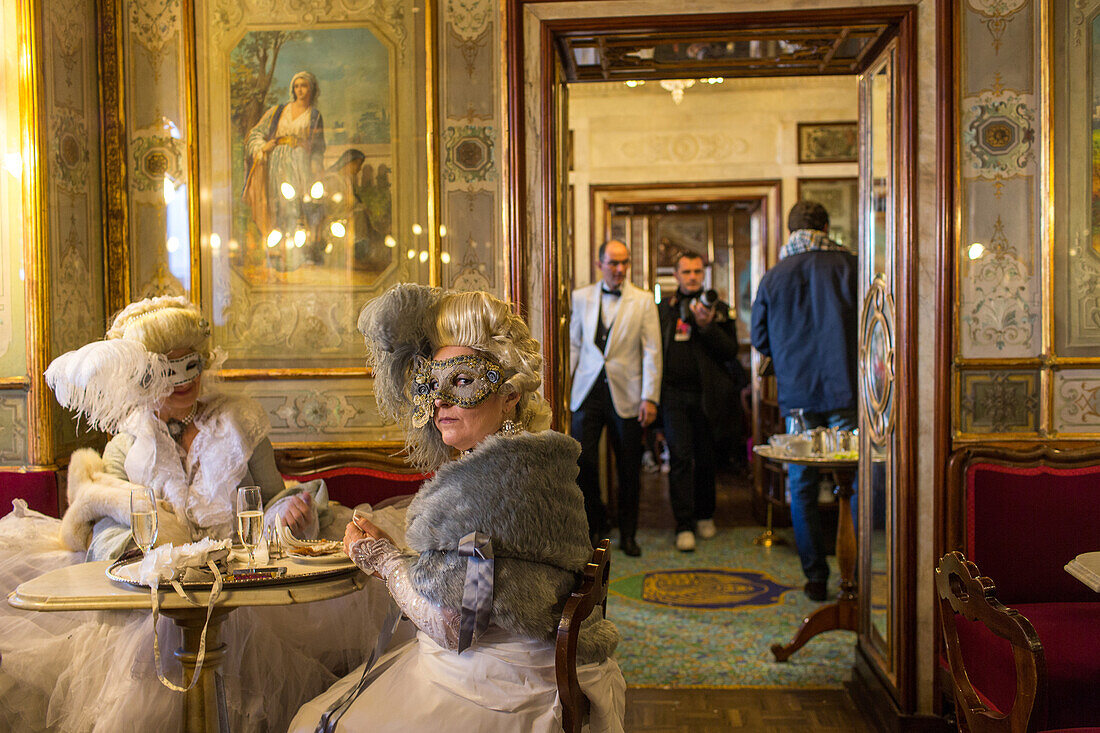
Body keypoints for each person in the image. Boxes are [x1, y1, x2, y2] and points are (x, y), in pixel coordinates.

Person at [0, 296, 390, 732]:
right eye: (170, 366)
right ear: (143, 373)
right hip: (161, 610)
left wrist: (289, 514)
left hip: (244, 598)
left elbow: (272, 496)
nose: (185, 378)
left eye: (193, 363)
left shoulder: (240, 423)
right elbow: (102, 538)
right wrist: (146, 550)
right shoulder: (126, 447)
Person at [289, 284, 626, 732]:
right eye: (432, 384)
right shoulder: (534, 465)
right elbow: (480, 583)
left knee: (313, 721)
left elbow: (456, 630)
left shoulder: (483, 491)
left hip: (495, 688)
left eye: (463, 381)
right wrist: (410, 559)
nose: (441, 400)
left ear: (509, 394)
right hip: (531, 668)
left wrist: (381, 561)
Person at [750, 201, 858, 602]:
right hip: (847, 391)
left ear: (791, 232)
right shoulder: (852, 265)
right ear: (826, 227)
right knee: (854, 483)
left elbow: (760, 338)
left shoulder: (775, 276)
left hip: (797, 397)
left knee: (803, 485)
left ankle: (815, 578)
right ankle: (856, 571)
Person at [569, 240, 662, 556]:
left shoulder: (644, 300)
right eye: (613, 263)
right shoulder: (581, 298)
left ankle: (629, 534)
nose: (619, 269)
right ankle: (594, 527)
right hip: (588, 391)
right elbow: (574, 346)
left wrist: (650, 397)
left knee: (629, 467)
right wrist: (561, 388)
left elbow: (652, 352)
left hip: (629, 393)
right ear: (600, 264)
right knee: (584, 462)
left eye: (624, 263)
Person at [657, 252, 747, 552]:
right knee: (680, 458)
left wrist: (707, 326)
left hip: (709, 396)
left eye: (697, 271)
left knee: (707, 458)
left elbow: (730, 351)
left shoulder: (719, 308)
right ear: (676, 274)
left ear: (704, 273)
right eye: (686, 271)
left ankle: (705, 514)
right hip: (672, 395)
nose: (692, 276)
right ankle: (683, 524)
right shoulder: (664, 309)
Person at [243, 70, 326, 268]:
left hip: (301, 163)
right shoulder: (278, 111)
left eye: (304, 86)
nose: (300, 90)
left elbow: (318, 148)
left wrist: (315, 167)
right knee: (278, 204)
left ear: (311, 89)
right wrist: (264, 147)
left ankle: (301, 253)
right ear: (292, 88)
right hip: (278, 162)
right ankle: (278, 253)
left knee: (299, 206)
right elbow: (255, 133)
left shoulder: (314, 115)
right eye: (296, 86)